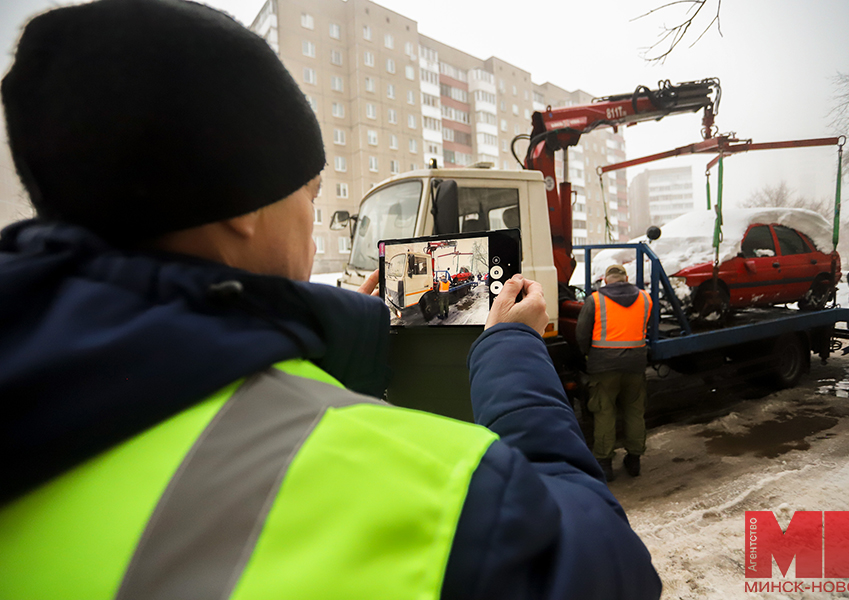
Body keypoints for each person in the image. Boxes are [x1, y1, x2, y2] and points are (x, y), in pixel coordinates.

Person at [0, 1, 662, 599]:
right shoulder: (424, 489)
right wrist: (512, 350)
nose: (313, 221)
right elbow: (610, 569)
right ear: (245, 210)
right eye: (312, 195)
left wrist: (334, 338)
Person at [576, 264, 653, 482]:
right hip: (636, 364)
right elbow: (646, 326)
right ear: (626, 278)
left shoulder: (596, 299)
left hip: (603, 366)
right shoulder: (645, 298)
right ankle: (634, 460)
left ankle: (605, 464)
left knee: (604, 412)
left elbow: (582, 333)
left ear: (606, 280)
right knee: (635, 410)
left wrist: (586, 355)